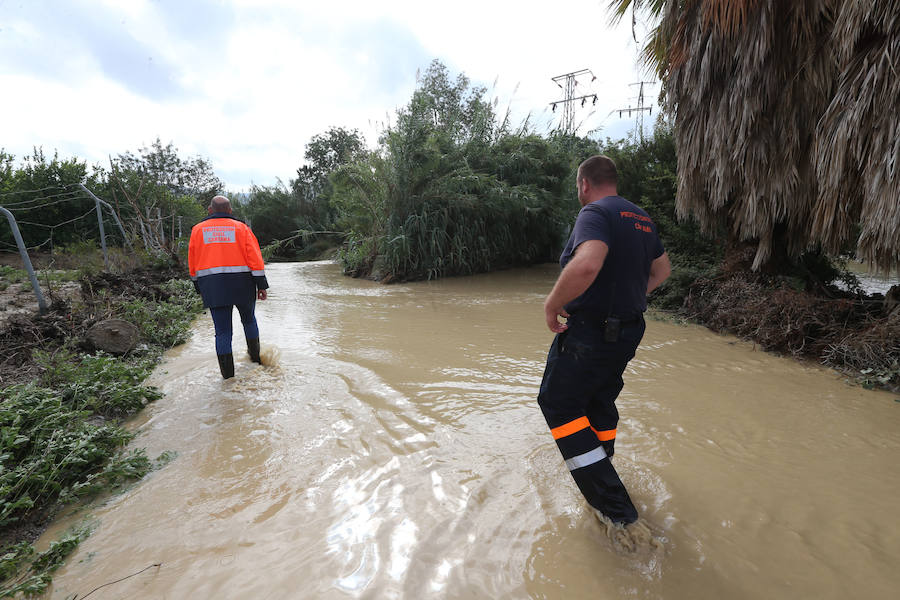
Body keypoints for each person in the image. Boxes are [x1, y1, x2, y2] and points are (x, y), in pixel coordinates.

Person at [537, 155, 671, 524]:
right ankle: (603, 463)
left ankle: (616, 510)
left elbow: (587, 264)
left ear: (584, 184)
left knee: (559, 404)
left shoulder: (594, 213)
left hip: (592, 330)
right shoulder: (641, 218)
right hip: (628, 328)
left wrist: (553, 304)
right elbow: (662, 269)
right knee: (598, 400)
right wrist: (628, 296)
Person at [188, 195, 269, 379]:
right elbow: (255, 259)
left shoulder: (197, 230)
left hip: (213, 287)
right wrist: (261, 285)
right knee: (249, 321)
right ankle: (255, 362)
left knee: (222, 332)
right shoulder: (242, 228)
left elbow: (192, 262)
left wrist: (198, 286)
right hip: (243, 284)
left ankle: (228, 379)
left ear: (210, 210)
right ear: (230, 211)